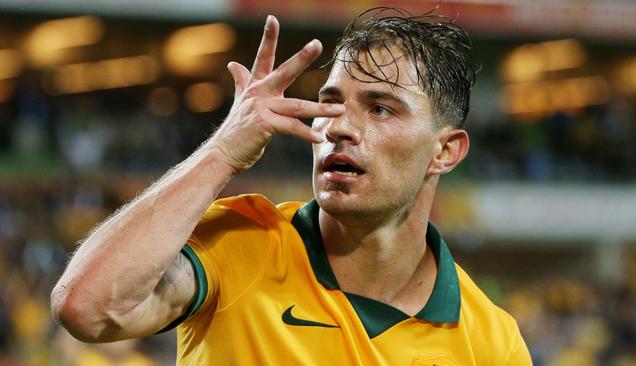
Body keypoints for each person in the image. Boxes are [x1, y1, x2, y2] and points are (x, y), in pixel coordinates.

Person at [51, 8, 532, 365]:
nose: (340, 126)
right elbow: (87, 308)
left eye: (380, 108)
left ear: (445, 151)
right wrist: (223, 151)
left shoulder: (491, 342)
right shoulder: (240, 242)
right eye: (330, 102)